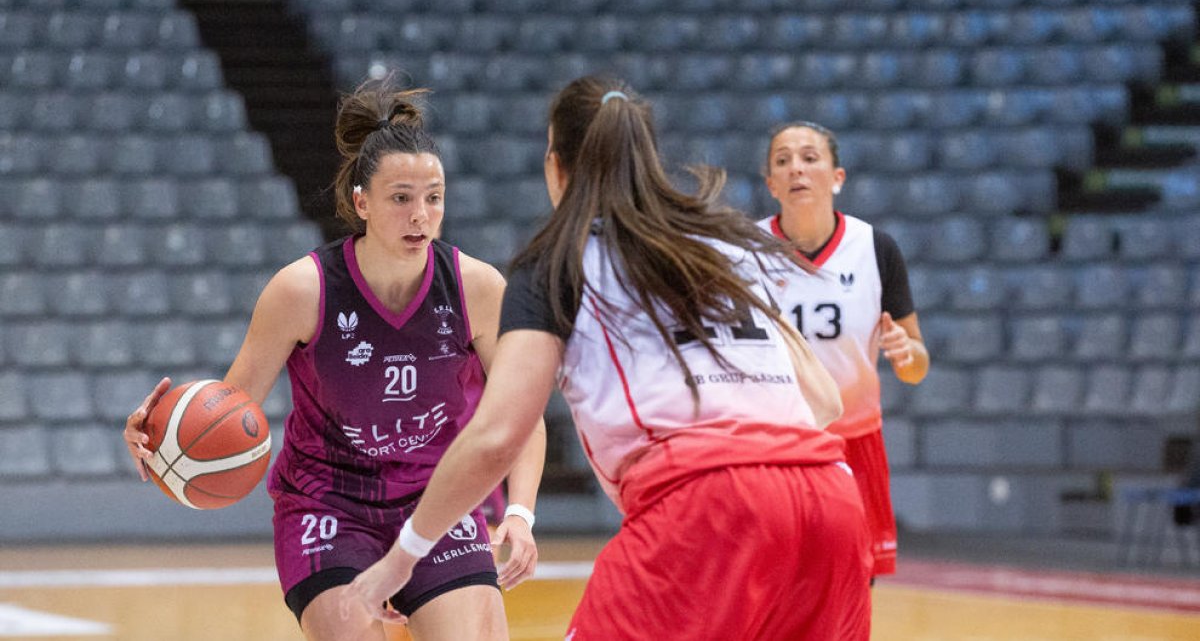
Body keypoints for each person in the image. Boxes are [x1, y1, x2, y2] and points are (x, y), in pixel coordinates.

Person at [340, 76, 872, 640]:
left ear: (556, 166)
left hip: (705, 505)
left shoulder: (558, 265)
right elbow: (823, 400)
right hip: (831, 499)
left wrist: (405, 555)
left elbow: (496, 436)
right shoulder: (728, 246)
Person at [123, 78, 546, 641]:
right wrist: (159, 447)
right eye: (401, 197)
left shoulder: (478, 287)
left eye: (434, 196)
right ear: (361, 201)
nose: (421, 214)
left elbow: (523, 413)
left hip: (437, 496)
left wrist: (520, 513)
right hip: (328, 503)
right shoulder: (301, 290)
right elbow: (226, 413)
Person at [757, 121, 930, 579]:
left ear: (837, 177)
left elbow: (917, 367)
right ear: (771, 183)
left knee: (852, 588)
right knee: (775, 590)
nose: (797, 167)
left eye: (810, 157)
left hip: (853, 441)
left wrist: (905, 352)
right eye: (783, 159)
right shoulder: (745, 254)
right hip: (773, 447)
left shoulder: (875, 248)